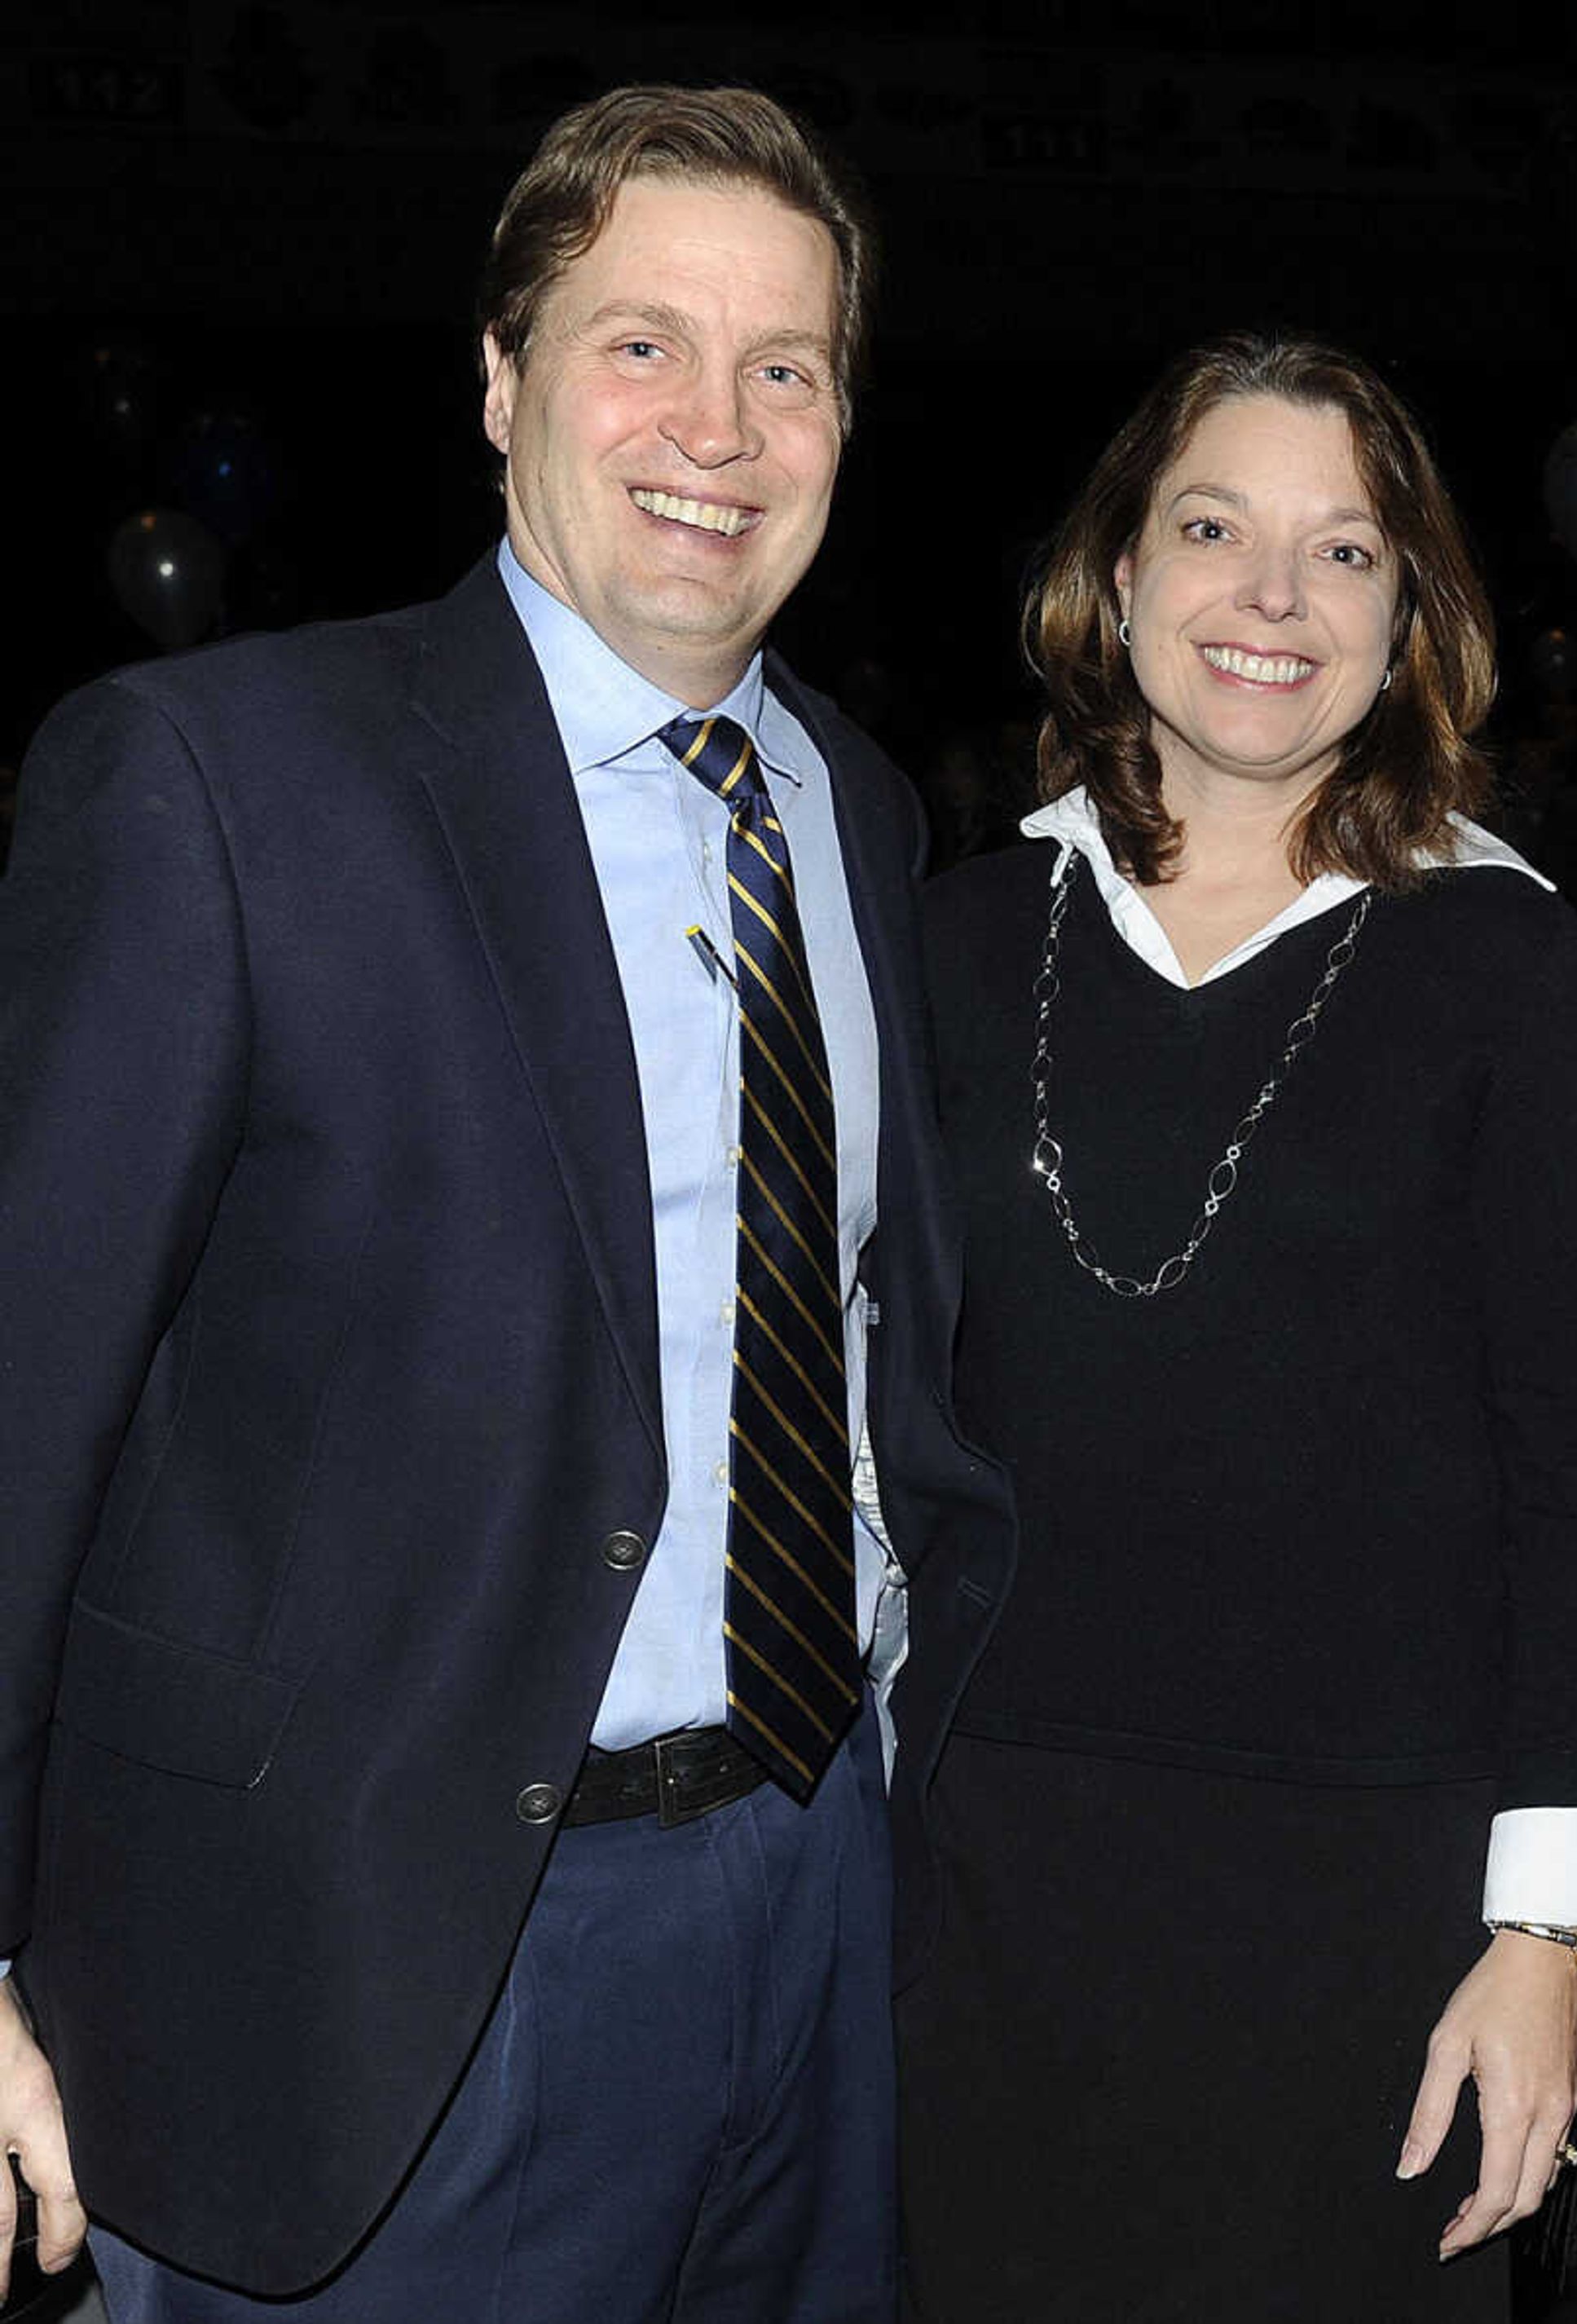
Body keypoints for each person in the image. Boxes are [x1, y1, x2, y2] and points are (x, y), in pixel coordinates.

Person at [0, 85, 1011, 2322]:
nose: (718, 429)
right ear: (498, 378)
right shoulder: (218, 782)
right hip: (375, 1964)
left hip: (815, 1893)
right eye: (642, 342)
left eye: (789, 368)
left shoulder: (852, 807)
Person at [897, 333, 1577, 2322]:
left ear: (1406, 617)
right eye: (1216, 529)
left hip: (1376, 1896)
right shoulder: (959, 936)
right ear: (1120, 575)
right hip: (987, 1872)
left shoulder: (1504, 956)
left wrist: (1549, 1938)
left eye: (1344, 553)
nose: (1271, 598)